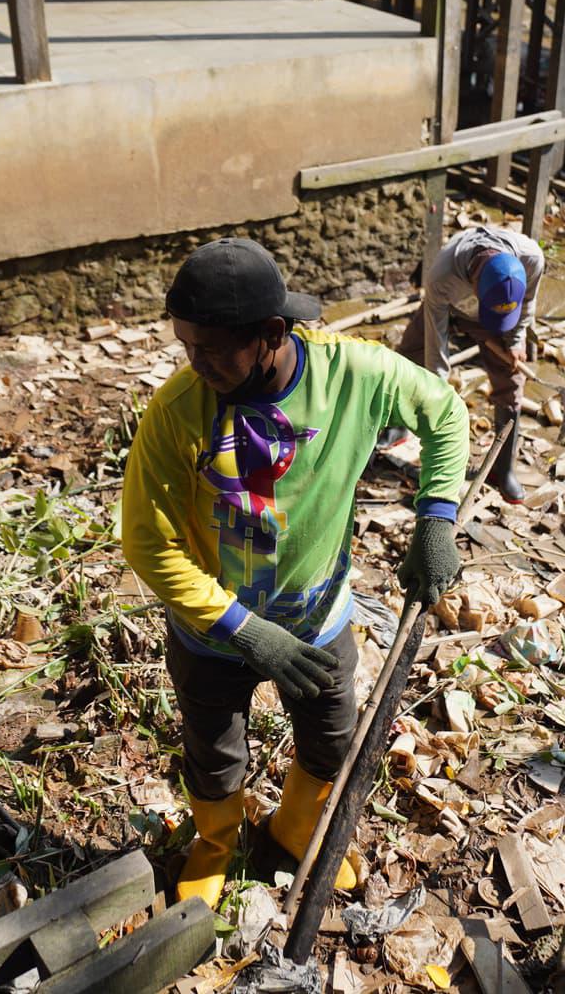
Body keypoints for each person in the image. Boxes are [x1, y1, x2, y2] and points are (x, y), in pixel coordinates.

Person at [121, 238, 469, 909]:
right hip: (213, 632)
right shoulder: (179, 410)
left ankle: (297, 826)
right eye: (186, 345)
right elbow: (149, 542)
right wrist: (247, 633)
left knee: (330, 735)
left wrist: (436, 517)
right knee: (214, 750)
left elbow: (445, 413)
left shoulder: (355, 377)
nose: (197, 363)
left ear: (272, 334)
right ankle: (216, 844)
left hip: (317, 619)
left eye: (215, 348)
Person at [394, 225, 544, 504]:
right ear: (474, 284)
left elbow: (528, 306)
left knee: (511, 384)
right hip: (449, 309)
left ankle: (503, 469)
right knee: (408, 354)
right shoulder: (442, 276)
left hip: (499, 317)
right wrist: (436, 390)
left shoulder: (532, 258)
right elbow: (436, 344)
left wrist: (515, 340)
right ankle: (398, 423)